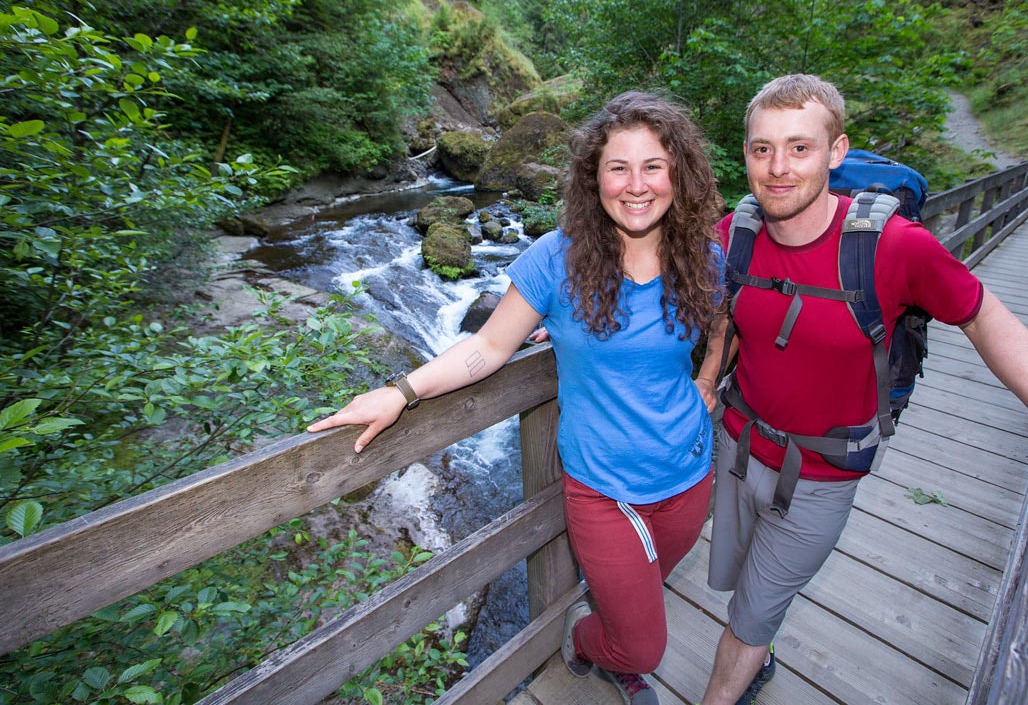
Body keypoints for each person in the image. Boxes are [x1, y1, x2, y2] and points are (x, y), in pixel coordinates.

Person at [692, 74, 1028, 705]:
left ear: (837, 151)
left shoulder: (890, 247)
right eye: (762, 149)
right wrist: (555, 313)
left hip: (820, 475)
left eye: (799, 148)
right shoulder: (740, 231)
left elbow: (983, 315)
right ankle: (763, 642)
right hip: (733, 448)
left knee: (750, 615)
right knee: (743, 581)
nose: (777, 168)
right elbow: (691, 291)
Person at [309, 91, 725, 705]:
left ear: (678, 174)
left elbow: (720, 320)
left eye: (653, 166)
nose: (636, 185)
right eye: (619, 167)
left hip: (690, 473)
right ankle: (587, 642)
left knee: (647, 586)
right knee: (643, 646)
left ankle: (612, 620)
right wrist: (401, 390)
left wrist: (708, 380)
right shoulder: (557, 260)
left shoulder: (702, 257)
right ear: (595, 177)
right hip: (605, 488)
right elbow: (487, 347)